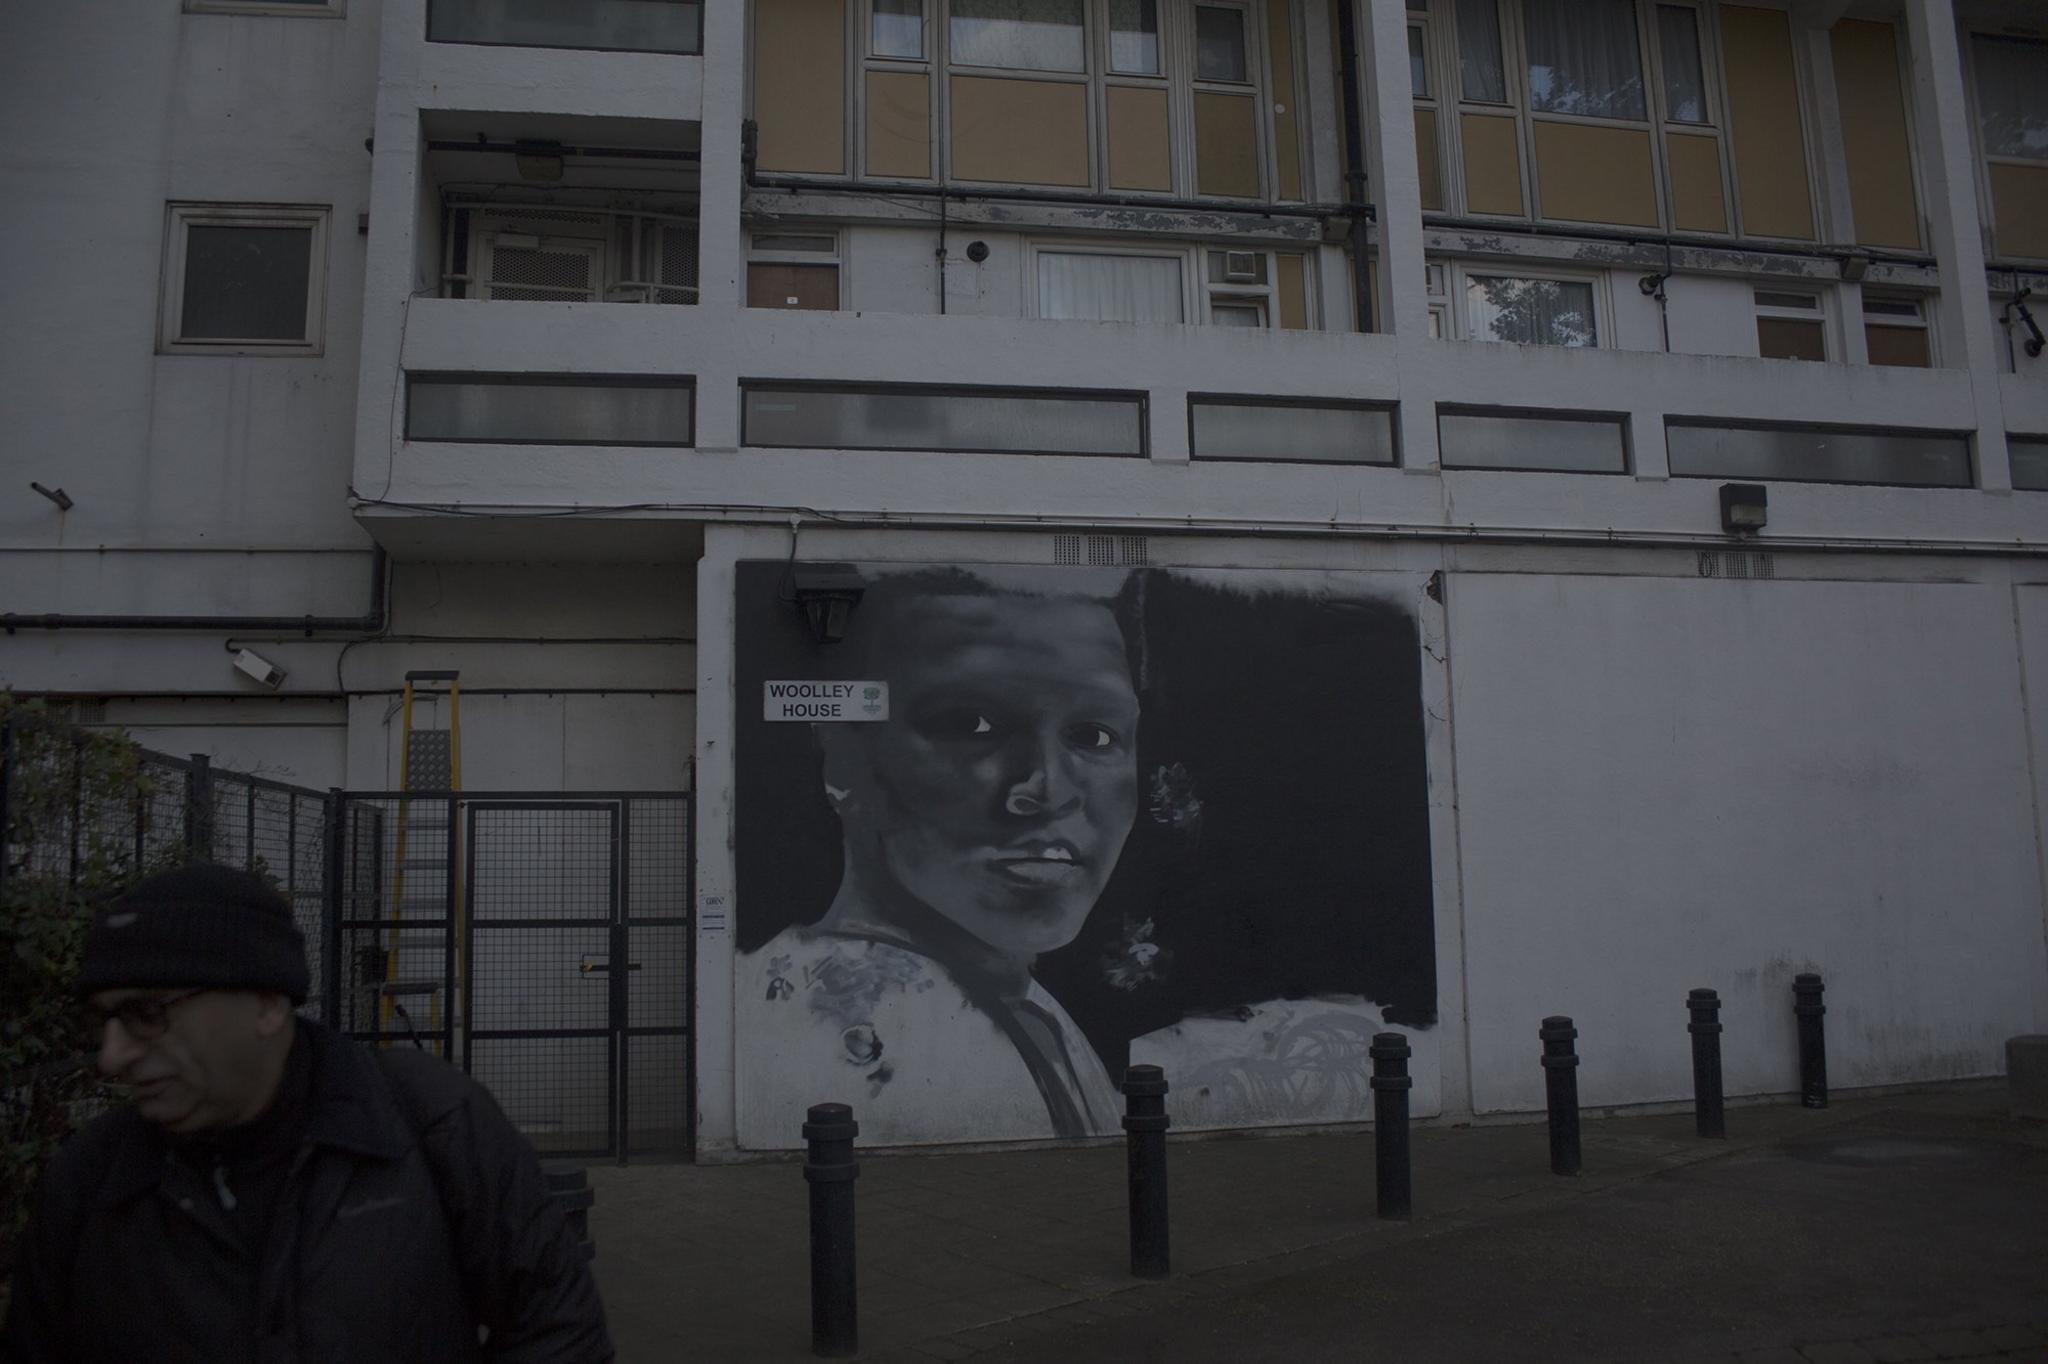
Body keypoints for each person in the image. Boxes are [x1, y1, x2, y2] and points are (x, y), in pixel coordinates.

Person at [0, 862, 613, 1362]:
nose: (113, 1056)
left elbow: (559, 1330)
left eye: (147, 1015)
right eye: (102, 1020)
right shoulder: (90, 1183)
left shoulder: (433, 1126)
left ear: (267, 1005)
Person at [742, 568, 1142, 1146]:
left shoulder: (1025, 1007)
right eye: (970, 724)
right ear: (844, 762)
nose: (1047, 788)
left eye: (1095, 736)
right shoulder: (825, 1026)